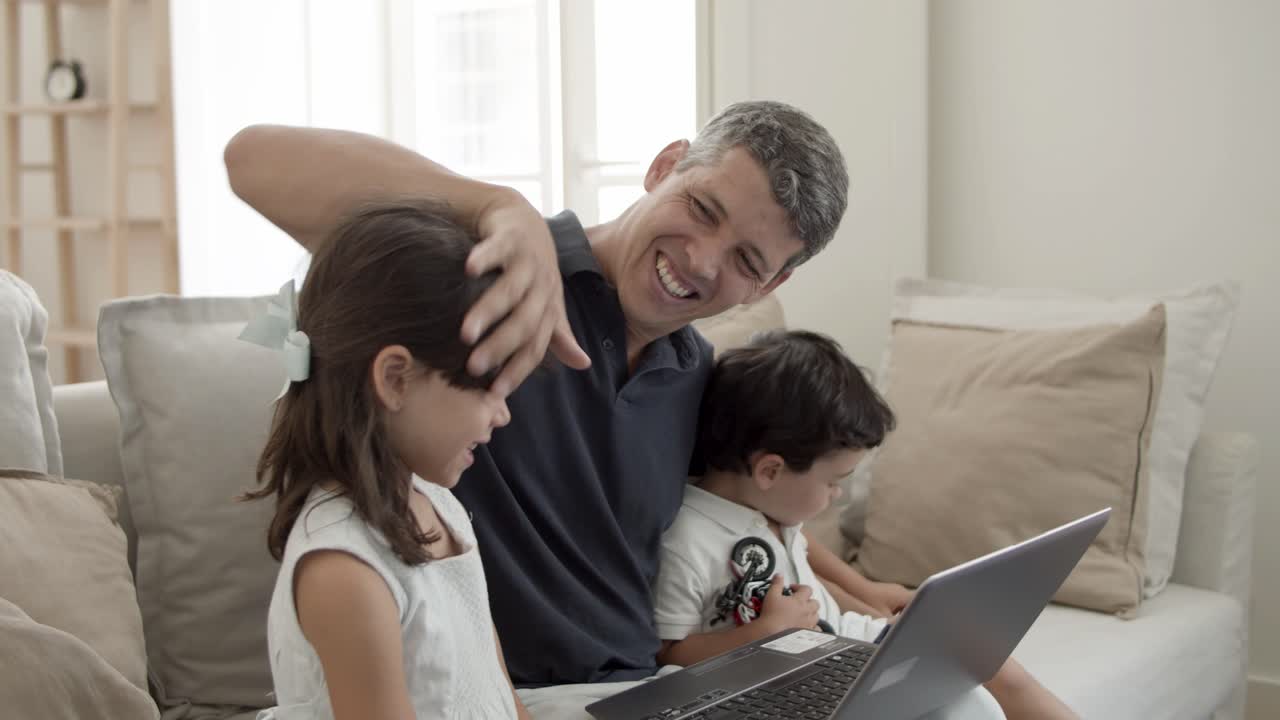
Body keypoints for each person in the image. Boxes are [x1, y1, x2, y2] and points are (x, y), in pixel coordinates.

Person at [225, 100, 1046, 718]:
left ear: (773, 287)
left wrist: (863, 588)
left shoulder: (696, 374)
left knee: (947, 701)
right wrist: (499, 207)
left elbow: (746, 501)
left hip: (661, 687)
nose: (700, 261)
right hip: (535, 696)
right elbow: (251, 159)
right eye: (703, 210)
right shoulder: (502, 279)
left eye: (746, 261)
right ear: (665, 166)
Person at [654, 329, 1080, 720]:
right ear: (769, 470)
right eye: (834, 482)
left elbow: (806, 557)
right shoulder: (687, 540)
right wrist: (765, 633)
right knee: (966, 701)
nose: (837, 495)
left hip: (841, 648)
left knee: (983, 676)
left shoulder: (773, 509)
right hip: (786, 675)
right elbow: (667, 652)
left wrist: (868, 594)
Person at [241, 201, 530, 719]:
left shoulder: (437, 502)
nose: (504, 415)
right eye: (487, 389)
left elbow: (498, 694)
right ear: (395, 379)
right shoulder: (344, 570)